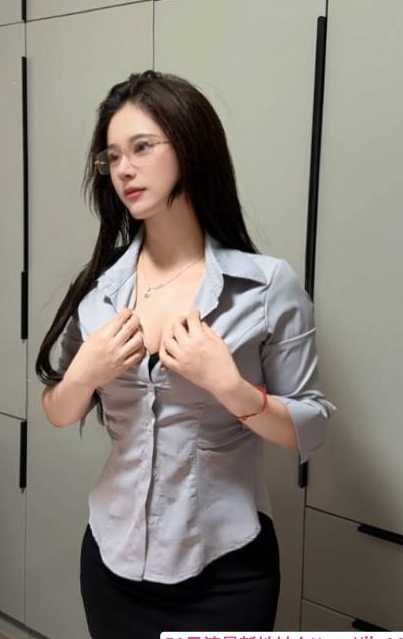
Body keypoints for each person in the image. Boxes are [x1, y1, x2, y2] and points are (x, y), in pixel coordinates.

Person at [36, 69, 336, 638]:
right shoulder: (101, 289)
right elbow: (58, 409)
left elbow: (312, 426)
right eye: (112, 157)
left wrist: (230, 387)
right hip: (111, 559)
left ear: (191, 146)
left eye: (142, 147)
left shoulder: (266, 286)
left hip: (227, 570)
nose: (124, 169)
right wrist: (85, 375)